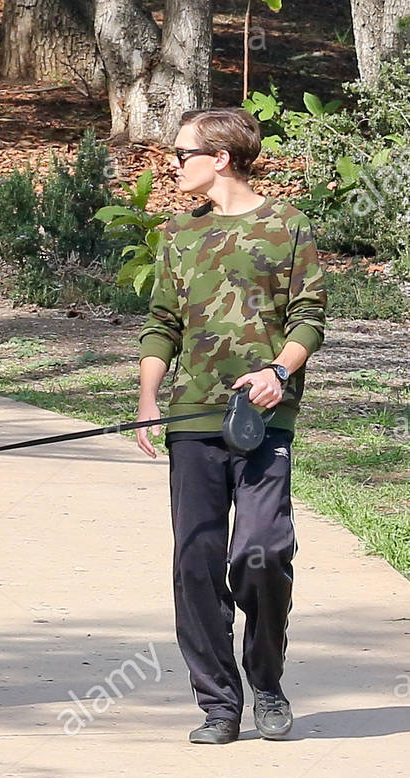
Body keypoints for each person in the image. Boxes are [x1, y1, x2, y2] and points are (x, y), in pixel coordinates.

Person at [135, 108, 326, 745]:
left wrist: (279, 370)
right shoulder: (177, 233)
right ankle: (219, 704)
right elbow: (162, 320)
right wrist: (147, 396)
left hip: (263, 419)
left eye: (182, 152)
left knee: (263, 551)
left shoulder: (286, 224)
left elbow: (309, 316)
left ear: (219, 157)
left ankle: (266, 682)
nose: (173, 163)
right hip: (191, 419)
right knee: (196, 562)